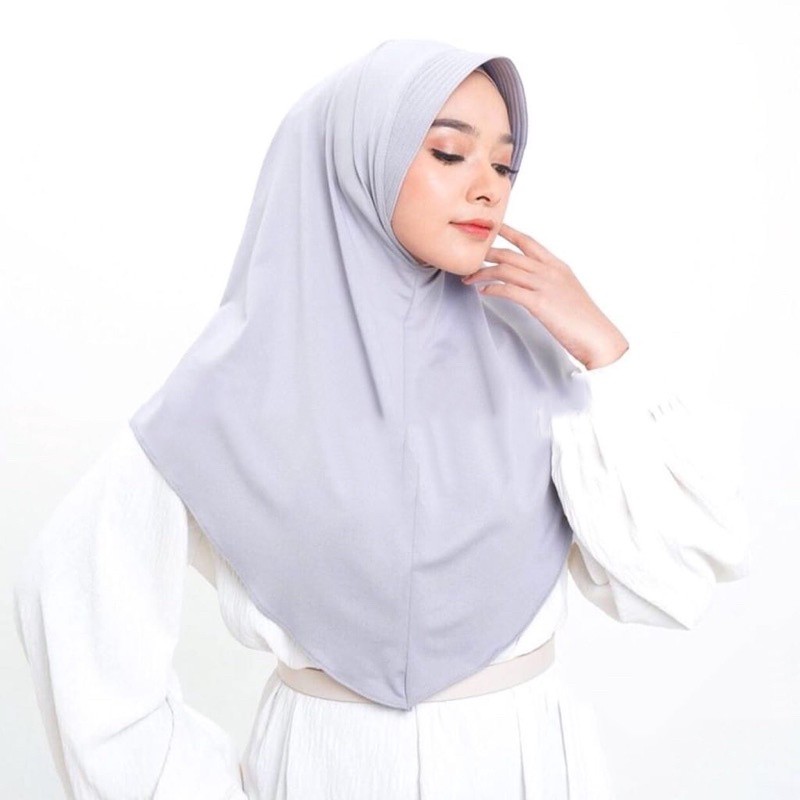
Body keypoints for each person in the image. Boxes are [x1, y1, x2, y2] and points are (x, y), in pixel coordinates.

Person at [12, 39, 752, 799]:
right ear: (357, 161)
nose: (487, 189)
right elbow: (70, 596)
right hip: (324, 769)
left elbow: (680, 574)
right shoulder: (230, 388)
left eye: (504, 166)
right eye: (449, 153)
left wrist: (605, 349)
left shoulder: (537, 362)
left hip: (526, 765)